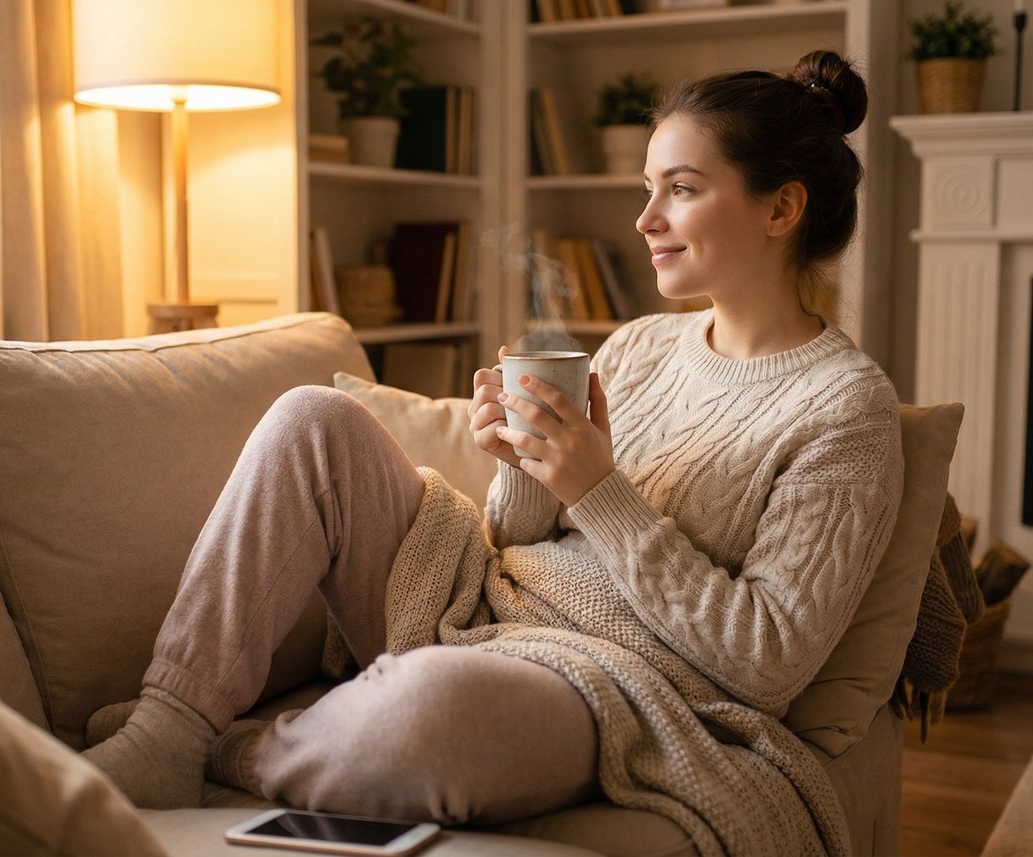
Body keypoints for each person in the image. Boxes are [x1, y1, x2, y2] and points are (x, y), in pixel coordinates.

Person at [84, 50, 903, 848]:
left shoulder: (847, 411)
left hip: (610, 680)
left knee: (423, 714)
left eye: (681, 190)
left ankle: (234, 747)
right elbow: (517, 542)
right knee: (312, 418)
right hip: (478, 595)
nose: (646, 219)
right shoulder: (641, 345)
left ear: (781, 208)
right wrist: (524, 468)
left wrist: (598, 490)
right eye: (647, 189)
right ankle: (170, 726)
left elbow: (766, 664)